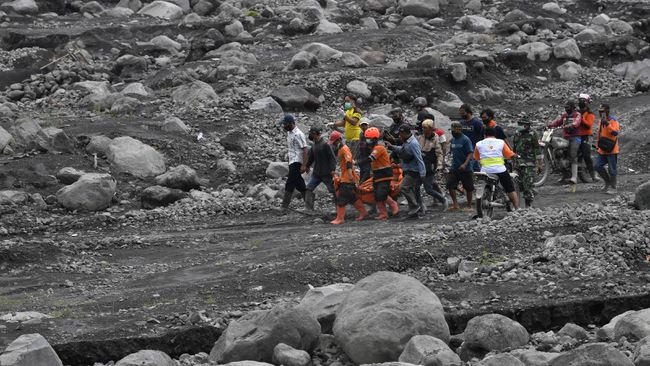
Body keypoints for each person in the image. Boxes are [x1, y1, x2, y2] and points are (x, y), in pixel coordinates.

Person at [474, 127, 520, 210]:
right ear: (495, 135)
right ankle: (517, 209)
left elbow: (476, 157)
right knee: (510, 188)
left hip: (485, 171)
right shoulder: (501, 142)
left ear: (484, 135)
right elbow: (508, 154)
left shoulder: (478, 144)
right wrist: (514, 155)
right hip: (499, 170)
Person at [387, 124, 427, 218]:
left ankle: (415, 207)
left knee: (403, 187)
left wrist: (422, 173)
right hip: (407, 169)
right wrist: (392, 147)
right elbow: (403, 150)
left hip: (413, 171)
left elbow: (419, 158)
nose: (399, 136)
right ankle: (414, 212)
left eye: (401, 134)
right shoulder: (407, 141)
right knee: (411, 190)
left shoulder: (413, 143)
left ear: (405, 133)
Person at [328, 131, 368, 224]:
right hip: (346, 177)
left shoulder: (345, 149)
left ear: (339, 140)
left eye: (334, 142)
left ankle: (340, 218)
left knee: (341, 198)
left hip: (348, 178)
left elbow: (349, 162)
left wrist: (350, 176)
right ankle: (363, 212)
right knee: (352, 198)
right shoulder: (341, 149)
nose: (333, 144)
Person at [366, 127, 400, 219]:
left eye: (369, 139)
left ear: (374, 139)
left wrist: (356, 162)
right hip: (378, 175)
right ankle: (383, 214)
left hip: (384, 175)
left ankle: (393, 206)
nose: (367, 141)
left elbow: (370, 159)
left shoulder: (379, 148)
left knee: (381, 194)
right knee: (377, 195)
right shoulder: (374, 148)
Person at [547, 100, 582, 185]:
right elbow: (557, 122)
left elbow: (576, 123)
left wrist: (571, 125)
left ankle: (574, 177)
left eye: (568, 107)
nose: (566, 109)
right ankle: (564, 176)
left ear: (572, 107)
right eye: (565, 107)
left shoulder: (577, 114)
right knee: (558, 153)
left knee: (572, 154)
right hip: (565, 137)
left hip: (575, 137)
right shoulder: (564, 115)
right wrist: (549, 125)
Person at [302, 126, 337, 211]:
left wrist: (333, 170)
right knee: (309, 188)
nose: (310, 135)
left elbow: (332, 158)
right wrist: (307, 166)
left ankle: (339, 207)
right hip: (317, 173)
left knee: (333, 190)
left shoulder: (326, 144)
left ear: (314, 134)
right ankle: (308, 209)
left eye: (311, 134)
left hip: (327, 173)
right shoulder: (314, 145)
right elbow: (311, 158)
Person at [417, 119, 448, 210]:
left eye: (425, 128)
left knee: (428, 189)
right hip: (420, 166)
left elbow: (439, 153)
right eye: (423, 128)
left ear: (431, 129)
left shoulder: (435, 139)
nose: (423, 129)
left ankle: (443, 199)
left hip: (429, 166)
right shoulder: (420, 138)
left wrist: (439, 165)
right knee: (415, 187)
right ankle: (421, 206)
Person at [512, 120, 543, 208]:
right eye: (519, 124)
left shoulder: (533, 134)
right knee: (518, 184)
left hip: (529, 163)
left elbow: (537, 149)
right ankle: (531, 192)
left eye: (522, 124)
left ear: (527, 125)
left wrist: (540, 164)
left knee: (527, 184)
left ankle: (528, 205)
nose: (519, 126)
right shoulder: (517, 133)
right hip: (518, 162)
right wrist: (513, 159)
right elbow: (514, 148)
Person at [281, 114, 308, 210]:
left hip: (297, 161)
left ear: (291, 123)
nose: (284, 126)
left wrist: (304, 165)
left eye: (285, 124)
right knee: (299, 184)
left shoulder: (298, 134)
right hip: (292, 160)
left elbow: (305, 149)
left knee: (290, 183)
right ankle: (309, 205)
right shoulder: (289, 133)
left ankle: (284, 207)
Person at [447, 122, 475, 211]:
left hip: (465, 168)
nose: (452, 132)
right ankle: (456, 205)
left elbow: (470, 153)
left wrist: (464, 164)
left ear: (459, 130)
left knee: (468, 187)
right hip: (455, 167)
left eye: (453, 131)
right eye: (451, 131)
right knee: (450, 185)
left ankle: (469, 205)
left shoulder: (465, 140)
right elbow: (451, 152)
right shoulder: (453, 140)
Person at [594, 103, 620, 194]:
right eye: (600, 111)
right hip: (603, 149)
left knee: (612, 169)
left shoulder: (613, 120)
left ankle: (614, 187)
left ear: (608, 110)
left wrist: (608, 124)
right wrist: (597, 146)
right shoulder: (601, 121)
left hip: (611, 149)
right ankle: (607, 182)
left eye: (603, 111)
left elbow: (615, 133)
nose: (601, 113)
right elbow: (599, 134)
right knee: (597, 166)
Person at [577, 93, 599, 182]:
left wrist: (580, 118)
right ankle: (565, 175)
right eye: (580, 100)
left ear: (587, 102)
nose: (581, 102)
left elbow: (588, 125)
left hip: (585, 137)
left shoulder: (590, 114)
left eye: (583, 100)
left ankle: (593, 175)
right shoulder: (576, 112)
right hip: (575, 136)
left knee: (586, 155)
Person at [459, 104, 484, 172]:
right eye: (460, 113)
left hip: (473, 149)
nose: (461, 115)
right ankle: (479, 178)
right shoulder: (461, 123)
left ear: (468, 112)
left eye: (463, 113)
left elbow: (482, 136)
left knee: (468, 167)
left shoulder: (477, 123)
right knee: (475, 167)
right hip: (463, 149)